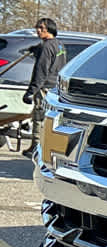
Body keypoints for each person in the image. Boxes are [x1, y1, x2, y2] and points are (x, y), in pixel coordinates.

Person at [21, 18, 67, 153]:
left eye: (41, 28)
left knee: (40, 118)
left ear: (50, 29)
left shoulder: (45, 47)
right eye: (37, 27)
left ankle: (36, 148)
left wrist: (31, 92)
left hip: (44, 88)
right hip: (56, 87)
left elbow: (40, 71)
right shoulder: (59, 45)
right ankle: (50, 148)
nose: (38, 30)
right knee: (52, 119)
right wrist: (36, 50)